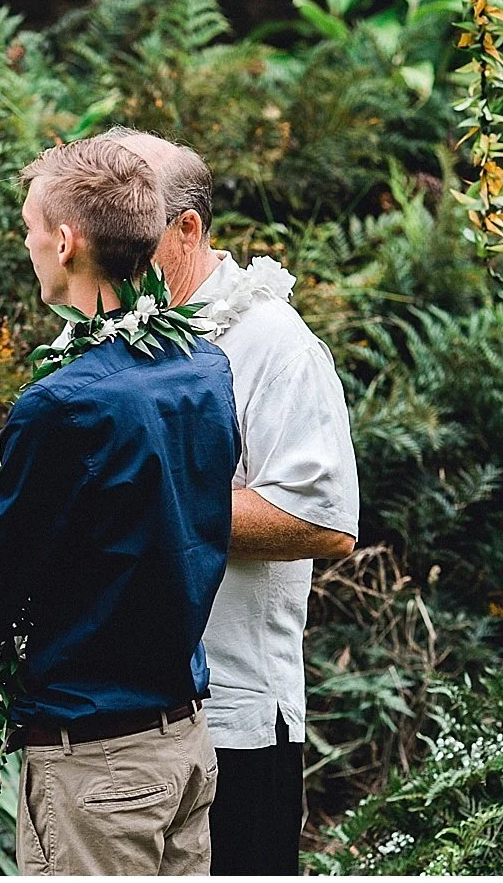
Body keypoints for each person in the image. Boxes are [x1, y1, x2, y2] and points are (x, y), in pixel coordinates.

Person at [0, 137, 241, 875]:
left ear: (67, 241)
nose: (26, 243)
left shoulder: (62, 405)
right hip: (185, 742)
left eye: (29, 227)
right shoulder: (205, 366)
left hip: (98, 766)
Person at [93, 128, 360, 876]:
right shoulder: (109, 329)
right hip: (116, 711)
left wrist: (137, 499)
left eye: (131, 228)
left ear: (187, 228)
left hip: (233, 720)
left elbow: (322, 520)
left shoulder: (273, 341)